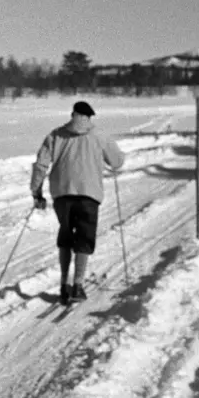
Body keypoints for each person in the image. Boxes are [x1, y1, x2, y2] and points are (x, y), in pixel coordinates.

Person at [30, 100, 125, 305]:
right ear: (89, 117)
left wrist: (36, 191)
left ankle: (64, 284)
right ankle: (78, 285)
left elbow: (41, 164)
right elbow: (116, 162)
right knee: (84, 236)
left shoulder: (56, 135)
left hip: (61, 194)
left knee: (65, 235)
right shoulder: (99, 135)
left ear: (72, 114)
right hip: (89, 194)